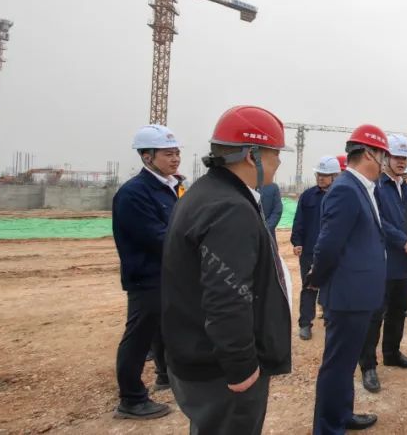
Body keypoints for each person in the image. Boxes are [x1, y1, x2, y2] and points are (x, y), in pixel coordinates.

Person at [161, 106, 293, 434]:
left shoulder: (205, 194)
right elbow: (227, 297)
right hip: (220, 372)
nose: (279, 162)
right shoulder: (230, 209)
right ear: (252, 156)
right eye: (275, 153)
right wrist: (241, 366)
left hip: (197, 355)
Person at [309, 124, 390, 433]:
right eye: (383, 155)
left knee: (345, 364)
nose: (384, 162)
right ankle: (328, 428)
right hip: (346, 296)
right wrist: (317, 278)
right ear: (369, 153)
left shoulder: (361, 188)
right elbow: (328, 245)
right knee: (337, 366)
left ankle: (342, 414)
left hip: (358, 294)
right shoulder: (346, 189)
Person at [111, 124, 184, 420]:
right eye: (168, 154)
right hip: (147, 277)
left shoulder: (171, 187)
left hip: (168, 275)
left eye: (176, 152)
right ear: (147, 156)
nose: (175, 158)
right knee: (139, 337)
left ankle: (166, 377)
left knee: (166, 331)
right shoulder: (134, 193)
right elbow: (158, 237)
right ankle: (131, 399)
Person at [359, 135, 407, 393]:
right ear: (385, 157)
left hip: (405, 261)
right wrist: (404, 239)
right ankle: (368, 366)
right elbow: (378, 221)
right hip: (383, 261)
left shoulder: (405, 187)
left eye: (404, 158)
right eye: (397, 157)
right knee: (375, 315)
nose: (401, 162)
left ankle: (392, 353)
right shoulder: (376, 186)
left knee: (398, 310)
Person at [291, 155, 341, 341]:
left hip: (333, 251)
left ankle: (329, 319)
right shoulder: (308, 196)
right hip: (310, 250)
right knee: (308, 287)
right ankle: (305, 324)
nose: (320, 177)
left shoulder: (341, 196)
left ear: (335, 176)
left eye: (325, 175)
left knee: (331, 286)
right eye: (319, 174)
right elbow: (299, 221)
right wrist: (297, 242)